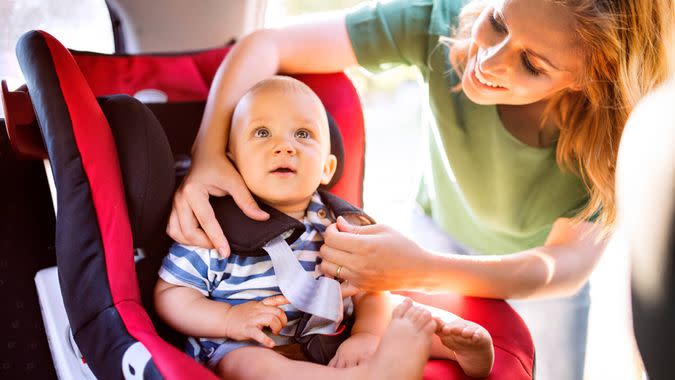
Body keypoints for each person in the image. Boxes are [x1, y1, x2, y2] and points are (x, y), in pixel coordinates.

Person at [166, 1, 674, 378]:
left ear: (593, 76)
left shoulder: (616, 129)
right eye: (497, 21)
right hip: (436, 229)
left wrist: (417, 271)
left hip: (538, 281)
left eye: (532, 64)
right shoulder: (439, 22)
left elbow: (561, 268)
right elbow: (265, 45)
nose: (489, 59)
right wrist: (209, 154)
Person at [155, 76, 495, 379]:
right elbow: (172, 295)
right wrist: (229, 319)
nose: (284, 146)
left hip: (335, 333)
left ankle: (457, 347)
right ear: (229, 160)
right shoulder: (212, 226)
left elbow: (370, 289)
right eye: (262, 133)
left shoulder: (340, 224)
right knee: (252, 368)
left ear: (327, 168)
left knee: (396, 310)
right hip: (248, 344)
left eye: (303, 134)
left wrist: (366, 335)